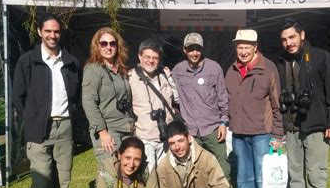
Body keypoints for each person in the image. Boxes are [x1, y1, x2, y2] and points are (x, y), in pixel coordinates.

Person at [12, 13, 81, 188]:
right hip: (39, 130)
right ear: (40, 32)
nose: (53, 35)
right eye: (48, 31)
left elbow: (76, 97)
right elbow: (18, 96)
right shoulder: (28, 61)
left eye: (57, 31)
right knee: (42, 184)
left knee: (62, 184)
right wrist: (31, 119)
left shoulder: (71, 62)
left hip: (64, 129)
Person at [276, 19, 330, 188]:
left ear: (302, 35)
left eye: (292, 37)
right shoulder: (281, 61)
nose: (288, 43)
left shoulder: (321, 57)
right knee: (295, 174)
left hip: (315, 127)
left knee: (315, 175)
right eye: (284, 39)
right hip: (292, 127)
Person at [225, 29, 284, 188]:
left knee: (262, 174)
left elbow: (277, 103)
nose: (242, 51)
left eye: (246, 47)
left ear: (255, 47)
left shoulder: (268, 69)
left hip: (261, 131)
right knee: (243, 173)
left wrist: (277, 133)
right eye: (239, 47)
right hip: (239, 131)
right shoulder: (232, 70)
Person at [172, 33, 230, 178]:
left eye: (198, 49)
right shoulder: (177, 71)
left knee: (222, 166)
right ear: (184, 50)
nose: (195, 53)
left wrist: (223, 122)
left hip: (213, 128)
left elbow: (222, 96)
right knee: (195, 169)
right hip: (191, 130)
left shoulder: (214, 68)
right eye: (191, 49)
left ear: (202, 50)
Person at [82, 27, 136, 167]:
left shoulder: (121, 69)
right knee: (112, 174)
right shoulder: (93, 69)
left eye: (112, 43)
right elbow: (89, 102)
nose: (108, 47)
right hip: (108, 130)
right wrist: (102, 132)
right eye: (104, 43)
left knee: (128, 172)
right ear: (97, 46)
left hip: (126, 128)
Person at [129, 38, 178, 171]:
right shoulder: (130, 78)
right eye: (147, 57)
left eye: (155, 58)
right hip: (145, 136)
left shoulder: (165, 75)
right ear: (139, 56)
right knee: (149, 176)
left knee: (166, 174)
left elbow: (177, 98)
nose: (151, 61)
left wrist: (170, 78)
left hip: (166, 135)